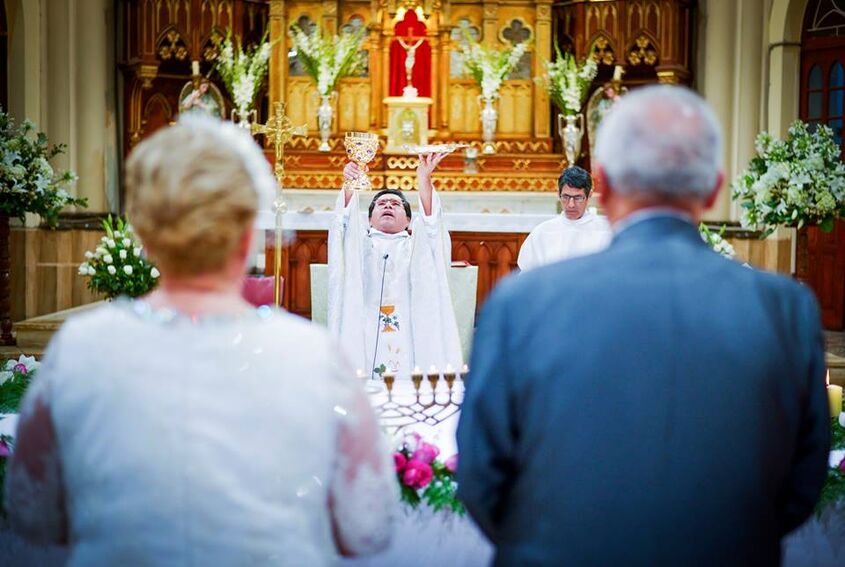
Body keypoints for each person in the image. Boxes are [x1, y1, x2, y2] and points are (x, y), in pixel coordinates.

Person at [457, 85, 830, 566]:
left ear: (603, 186)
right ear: (715, 188)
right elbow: (804, 477)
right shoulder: (786, 309)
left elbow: (481, 475)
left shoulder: (520, 303)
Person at [4, 116, 395, 566]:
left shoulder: (80, 349)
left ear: (144, 235)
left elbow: (33, 518)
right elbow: (367, 528)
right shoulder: (312, 355)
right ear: (249, 235)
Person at [328, 154, 463, 379]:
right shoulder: (358, 245)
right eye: (381, 203)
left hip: (410, 339)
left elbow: (432, 226)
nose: (388, 205)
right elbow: (343, 224)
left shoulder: (417, 247)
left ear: (410, 221)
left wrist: (424, 179)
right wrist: (351, 184)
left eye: (396, 204)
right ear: (369, 219)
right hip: (363, 333)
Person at [517, 165, 611, 271]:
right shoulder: (542, 233)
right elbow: (527, 275)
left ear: (589, 195)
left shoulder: (606, 231)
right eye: (566, 197)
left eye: (578, 198)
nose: (571, 204)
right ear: (558, 194)